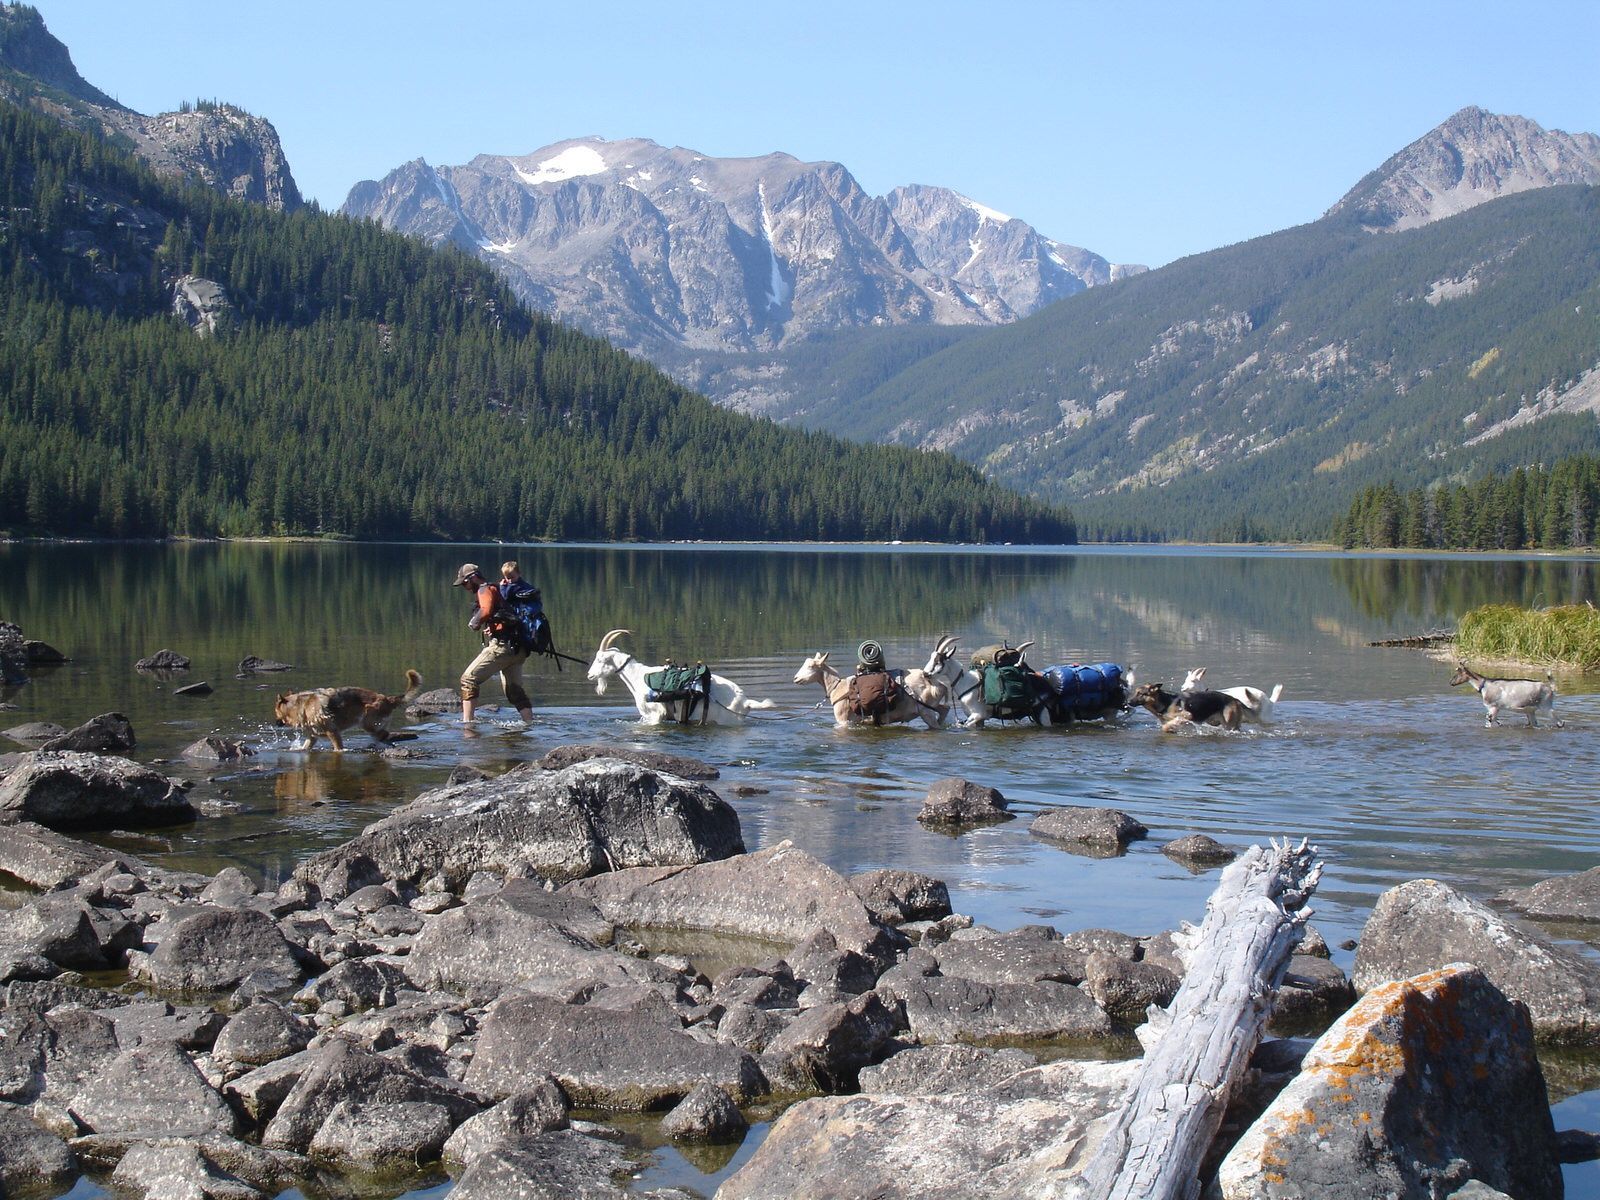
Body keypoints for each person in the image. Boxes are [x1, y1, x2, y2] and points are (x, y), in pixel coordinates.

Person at [454, 562, 533, 726]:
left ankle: (467, 724)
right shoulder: (498, 589)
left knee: (468, 679)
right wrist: (493, 627)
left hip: (502, 647)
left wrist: (474, 623)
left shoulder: (484, 589)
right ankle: (529, 724)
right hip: (518, 649)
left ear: (473, 578)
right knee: (514, 691)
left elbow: (486, 609)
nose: (465, 587)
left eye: (465, 583)